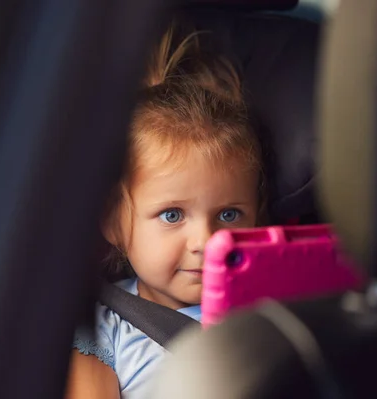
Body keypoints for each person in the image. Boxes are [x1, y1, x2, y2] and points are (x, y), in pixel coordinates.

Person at [65, 25, 266, 399]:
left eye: (229, 215)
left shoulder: (274, 307)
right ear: (113, 222)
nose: (206, 242)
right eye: (172, 215)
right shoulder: (101, 330)